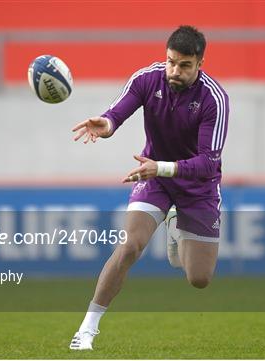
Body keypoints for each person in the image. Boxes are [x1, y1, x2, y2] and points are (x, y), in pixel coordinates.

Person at [69, 25, 229, 350]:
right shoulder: (147, 78)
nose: (175, 70)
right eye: (171, 62)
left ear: (200, 63)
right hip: (153, 177)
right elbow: (118, 111)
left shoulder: (214, 99)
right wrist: (107, 124)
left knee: (199, 279)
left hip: (196, 185)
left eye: (184, 65)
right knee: (129, 247)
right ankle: (87, 328)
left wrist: (163, 168)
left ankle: (175, 226)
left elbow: (208, 163)